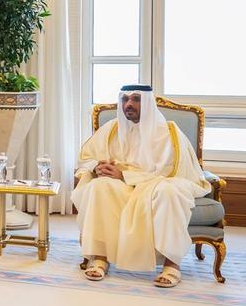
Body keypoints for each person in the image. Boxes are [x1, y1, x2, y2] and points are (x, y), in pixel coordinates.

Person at [72, 84, 209, 288]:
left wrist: (124, 174)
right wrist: (97, 167)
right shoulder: (112, 128)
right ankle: (100, 257)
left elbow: (169, 172)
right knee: (99, 187)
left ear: (148, 102)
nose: (129, 104)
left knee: (169, 192)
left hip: (156, 185)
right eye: (125, 99)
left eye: (136, 99)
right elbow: (86, 158)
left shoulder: (168, 132)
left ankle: (172, 265)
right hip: (123, 186)